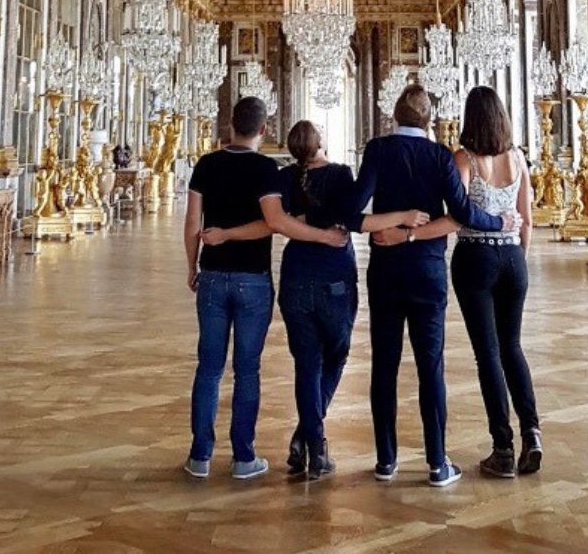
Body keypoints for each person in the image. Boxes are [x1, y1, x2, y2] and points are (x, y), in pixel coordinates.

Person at [203, 121, 429, 480]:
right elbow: (357, 221)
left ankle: (309, 438)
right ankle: (313, 440)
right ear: (321, 141)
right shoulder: (341, 174)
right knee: (336, 356)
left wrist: (303, 220)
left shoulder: (284, 177)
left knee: (307, 363)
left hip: (295, 275)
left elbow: (278, 221)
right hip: (335, 277)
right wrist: (403, 217)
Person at [345, 85, 517, 487]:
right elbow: (462, 213)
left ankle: (386, 460)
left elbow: (352, 208)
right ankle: (438, 462)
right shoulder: (440, 156)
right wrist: (500, 222)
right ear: (429, 120)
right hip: (428, 271)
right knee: (430, 366)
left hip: (386, 269)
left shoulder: (378, 150)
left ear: (394, 115)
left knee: (384, 365)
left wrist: (390, 222)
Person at [183, 97, 345, 480]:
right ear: (263, 129)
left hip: (212, 275)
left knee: (208, 368)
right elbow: (274, 222)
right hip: (252, 279)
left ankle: (200, 456)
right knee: (247, 370)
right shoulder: (266, 169)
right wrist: (323, 236)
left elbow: (192, 224)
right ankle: (243, 457)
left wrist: (194, 264)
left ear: (230, 126)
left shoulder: (206, 164)